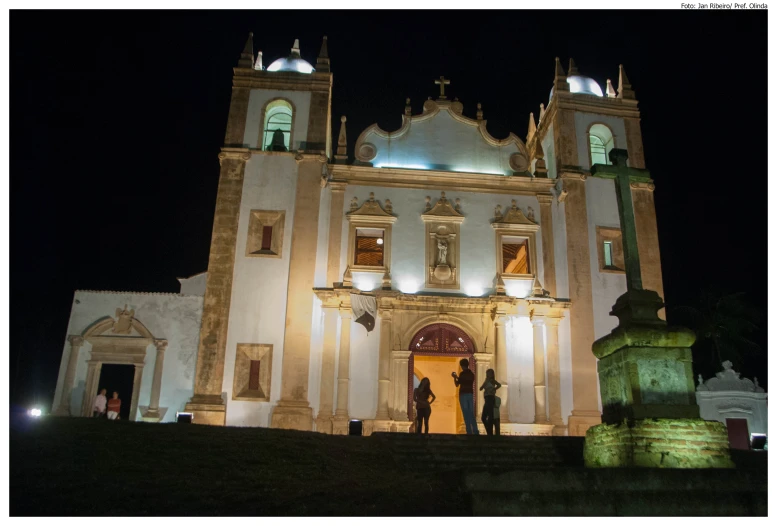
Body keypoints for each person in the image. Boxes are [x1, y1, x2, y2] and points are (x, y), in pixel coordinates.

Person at [452, 358, 479, 435]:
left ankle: (470, 430)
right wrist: (456, 377)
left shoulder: (464, 374)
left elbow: (459, 383)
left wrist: (456, 377)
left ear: (462, 365)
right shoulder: (471, 374)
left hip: (464, 394)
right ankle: (474, 430)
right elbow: (460, 382)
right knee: (470, 412)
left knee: (466, 412)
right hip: (469, 394)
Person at [479, 369, 502, 435]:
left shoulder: (492, 381)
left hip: (490, 398)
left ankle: (490, 433)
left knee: (490, 416)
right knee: (484, 417)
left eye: (488, 373)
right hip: (486, 398)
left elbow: (499, 385)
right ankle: (489, 431)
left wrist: (494, 389)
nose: (487, 375)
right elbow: (481, 388)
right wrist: (484, 385)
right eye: (487, 373)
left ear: (492, 374)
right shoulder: (486, 381)